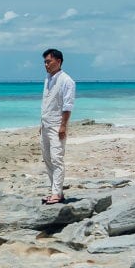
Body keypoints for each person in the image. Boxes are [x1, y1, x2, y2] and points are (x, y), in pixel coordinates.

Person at [39, 48, 75, 204]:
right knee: (47, 158)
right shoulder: (48, 78)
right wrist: (41, 123)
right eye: (45, 62)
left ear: (58, 61)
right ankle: (56, 191)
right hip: (45, 124)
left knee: (57, 159)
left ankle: (56, 194)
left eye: (49, 61)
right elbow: (47, 102)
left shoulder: (67, 81)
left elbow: (67, 106)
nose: (46, 65)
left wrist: (63, 126)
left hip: (57, 126)